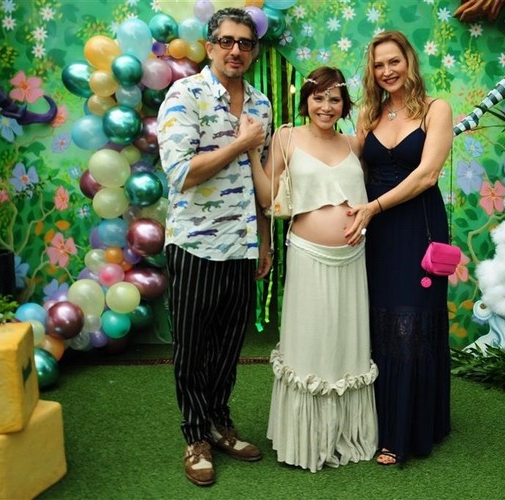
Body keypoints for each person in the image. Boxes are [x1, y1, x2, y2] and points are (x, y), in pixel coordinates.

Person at [156, 8, 273, 487]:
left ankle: (220, 423)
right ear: (209, 47)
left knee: (228, 347)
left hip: (242, 245)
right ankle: (195, 437)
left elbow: (258, 178)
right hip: (195, 245)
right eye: (226, 41)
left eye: (245, 43)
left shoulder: (261, 105)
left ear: (254, 51)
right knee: (192, 348)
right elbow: (181, 173)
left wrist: (264, 242)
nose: (235, 50)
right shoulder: (184, 95)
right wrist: (240, 143)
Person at [251, 66, 378, 472]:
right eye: (318, 97)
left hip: (352, 260)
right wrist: (251, 153)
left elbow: (369, 198)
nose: (326, 106)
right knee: (311, 345)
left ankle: (343, 434)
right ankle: (306, 441)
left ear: (344, 106)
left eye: (334, 99)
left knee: (345, 346)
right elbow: (268, 197)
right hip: (308, 256)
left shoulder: (355, 143)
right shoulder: (286, 137)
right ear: (306, 100)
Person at [346, 31, 454, 466]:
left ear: (409, 62)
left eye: (394, 61)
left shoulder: (435, 109)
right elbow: (352, 165)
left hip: (417, 227)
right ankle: (374, 422)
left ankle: (404, 431)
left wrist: (373, 207)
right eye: (378, 65)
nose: (387, 71)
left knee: (411, 322)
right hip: (377, 232)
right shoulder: (369, 113)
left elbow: (427, 175)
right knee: (379, 320)